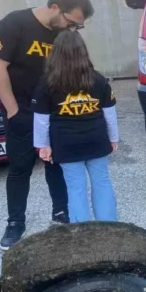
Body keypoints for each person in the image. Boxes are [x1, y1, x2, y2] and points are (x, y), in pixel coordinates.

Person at [0, 0, 94, 250]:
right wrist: (13, 111)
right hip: (20, 109)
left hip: (53, 110)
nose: (73, 29)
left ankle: (60, 211)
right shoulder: (14, 24)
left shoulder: (65, 34)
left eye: (78, 26)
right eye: (72, 22)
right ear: (55, 7)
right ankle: (15, 223)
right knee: (20, 166)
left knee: (55, 162)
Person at [33, 31, 118, 223]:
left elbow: (41, 119)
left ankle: (81, 234)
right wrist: (113, 138)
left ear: (55, 54)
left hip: (65, 144)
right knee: (102, 182)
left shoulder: (47, 83)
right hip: (96, 139)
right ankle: (110, 228)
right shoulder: (97, 79)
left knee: (75, 188)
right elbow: (109, 113)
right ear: (83, 52)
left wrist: (43, 146)